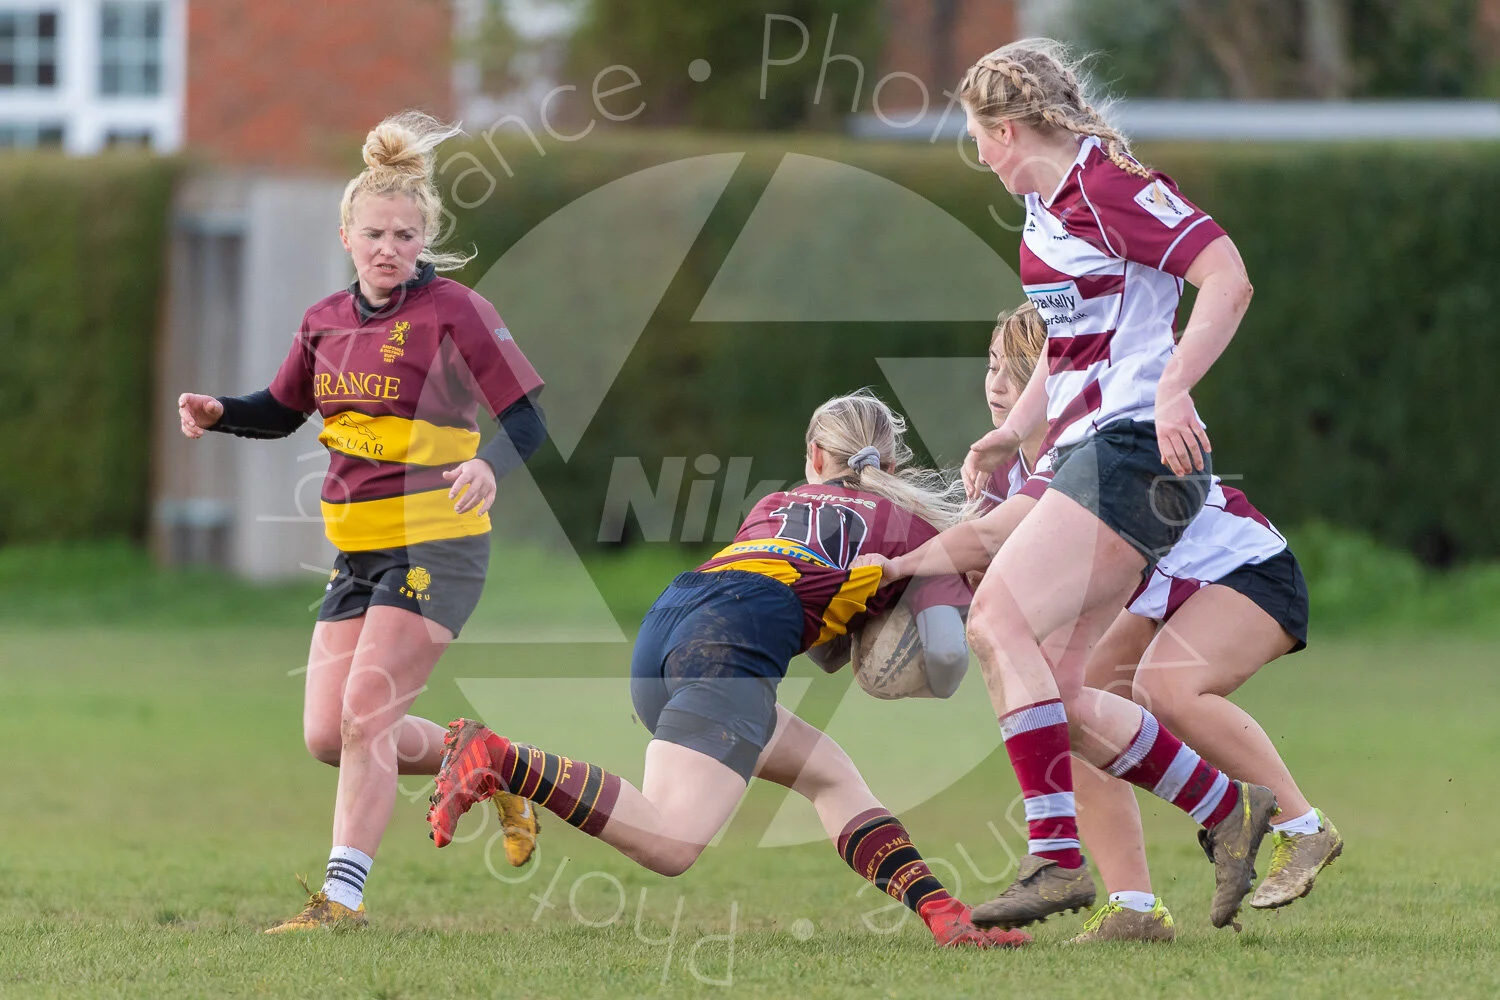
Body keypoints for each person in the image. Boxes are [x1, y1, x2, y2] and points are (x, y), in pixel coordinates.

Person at [875, 39, 1275, 932]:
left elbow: (1228, 278)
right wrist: (1016, 430)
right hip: (1093, 452)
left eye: (978, 138)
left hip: (1133, 451)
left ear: (1008, 130)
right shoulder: (1046, 209)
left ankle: (1057, 861)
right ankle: (1228, 810)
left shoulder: (1108, 188)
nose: (978, 156)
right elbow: (1072, 344)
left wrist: (1174, 387)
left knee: (994, 621)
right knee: (1058, 687)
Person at [426, 392, 1029, 949]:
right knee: (672, 840)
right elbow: (948, 660)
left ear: (814, 457)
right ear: (892, 469)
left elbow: (804, 621)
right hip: (731, 646)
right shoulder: (915, 527)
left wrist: (858, 622)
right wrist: (909, 664)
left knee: (829, 775)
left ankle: (945, 916)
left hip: (671, 623)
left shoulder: (775, 504)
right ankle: (502, 759)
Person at [177, 111, 547, 932]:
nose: (390, 247)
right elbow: (280, 410)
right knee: (326, 735)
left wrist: (488, 463)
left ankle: (341, 899)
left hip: (437, 545)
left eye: (406, 235)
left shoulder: (456, 311)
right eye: (375, 232)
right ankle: (487, 762)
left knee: (366, 715)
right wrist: (219, 411)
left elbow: (527, 420)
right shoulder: (323, 321)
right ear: (347, 234)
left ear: (425, 240)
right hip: (358, 556)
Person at [935, 304, 1340, 942]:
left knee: (1166, 691)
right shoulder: (1011, 466)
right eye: (990, 367)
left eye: (1013, 369)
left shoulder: (1085, 446)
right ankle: (1134, 906)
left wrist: (894, 570)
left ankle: (1302, 827)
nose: (997, 383)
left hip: (1244, 575)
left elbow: (986, 541)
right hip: (1153, 596)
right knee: (1072, 713)